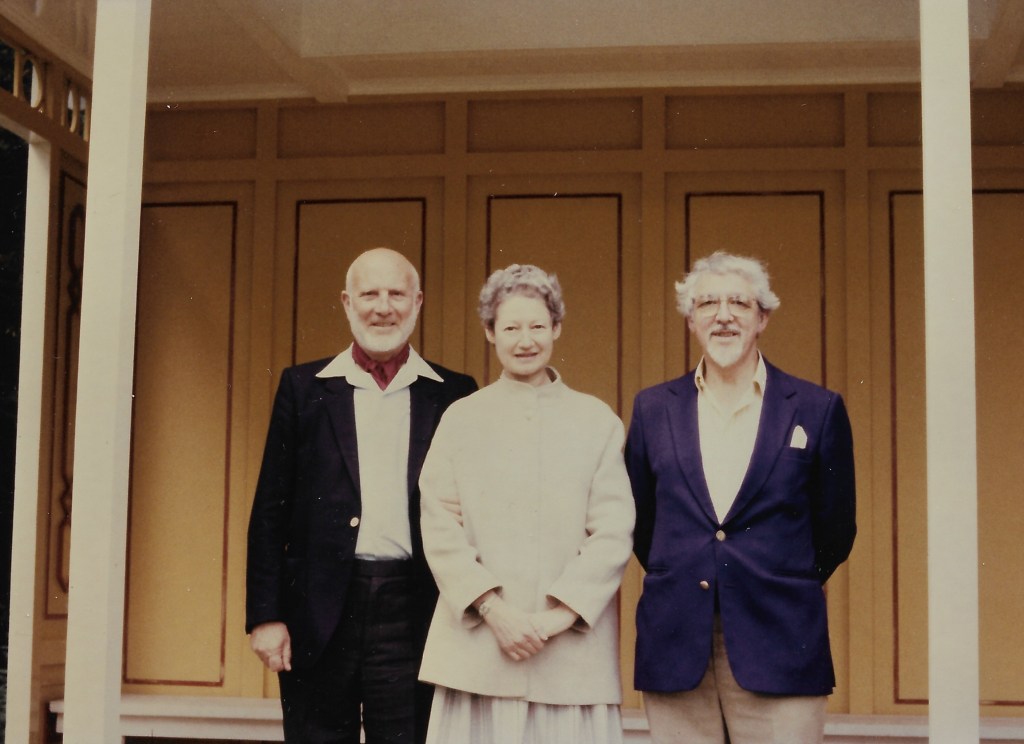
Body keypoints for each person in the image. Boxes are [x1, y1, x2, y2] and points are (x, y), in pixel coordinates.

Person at [245, 247, 478, 744]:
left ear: (417, 303)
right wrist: (265, 616)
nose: (382, 306)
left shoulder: (454, 393)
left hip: (414, 610)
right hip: (317, 614)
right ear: (348, 303)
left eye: (396, 294)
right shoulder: (304, 388)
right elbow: (270, 511)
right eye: (369, 294)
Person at [625, 251, 856, 744]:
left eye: (739, 303)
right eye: (707, 303)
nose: (723, 315)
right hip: (677, 642)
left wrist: (775, 577)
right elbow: (642, 524)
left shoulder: (817, 409)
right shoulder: (652, 410)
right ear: (691, 320)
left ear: (762, 318)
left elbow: (836, 528)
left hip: (782, 641)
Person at [416, 264, 636, 744]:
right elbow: (439, 524)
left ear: (556, 328)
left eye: (537, 326)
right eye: (510, 327)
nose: (525, 340)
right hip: (480, 647)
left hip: (571, 656)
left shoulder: (596, 420)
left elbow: (614, 532)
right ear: (490, 332)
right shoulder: (461, 418)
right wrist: (496, 612)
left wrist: (555, 619)